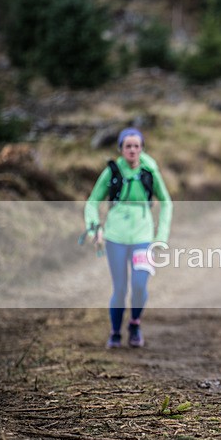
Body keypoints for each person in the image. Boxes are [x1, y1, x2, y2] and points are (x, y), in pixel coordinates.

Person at [84, 128, 173, 349]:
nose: (132, 150)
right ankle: (115, 332)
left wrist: (161, 236)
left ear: (142, 148)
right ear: (121, 149)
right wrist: (94, 229)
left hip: (143, 237)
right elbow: (92, 202)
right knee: (120, 288)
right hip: (115, 236)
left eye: (136, 146)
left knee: (140, 285)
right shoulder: (112, 171)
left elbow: (166, 203)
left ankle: (134, 323)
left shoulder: (150, 170)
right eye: (128, 146)